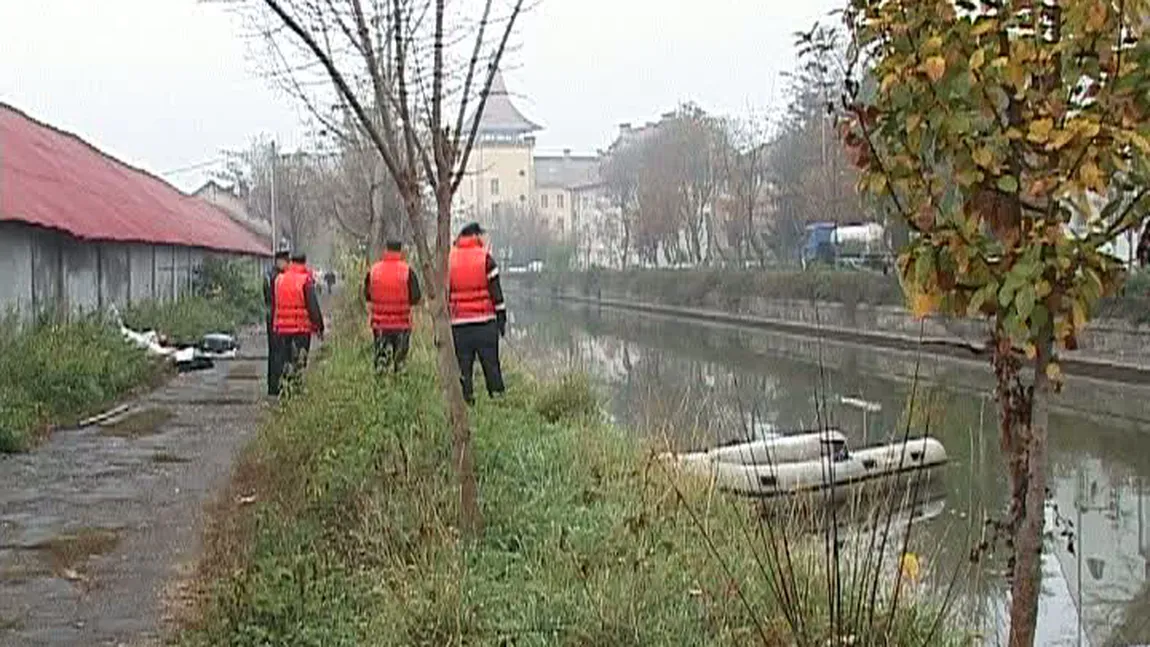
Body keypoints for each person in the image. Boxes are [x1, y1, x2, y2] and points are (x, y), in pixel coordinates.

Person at [447, 222, 507, 404]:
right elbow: (497, 295)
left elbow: (444, 293)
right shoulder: (486, 259)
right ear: (476, 236)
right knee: (492, 367)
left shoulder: (448, 260)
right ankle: (498, 404)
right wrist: (501, 321)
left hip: (459, 326)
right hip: (485, 325)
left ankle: (466, 405)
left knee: (463, 370)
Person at [270, 252, 325, 396]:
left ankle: (285, 388)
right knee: (299, 360)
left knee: (285, 359)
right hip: (301, 328)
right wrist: (319, 326)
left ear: (291, 261)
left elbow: (274, 303)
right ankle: (297, 388)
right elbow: (312, 307)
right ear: (304, 262)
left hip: (282, 328)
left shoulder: (279, 279)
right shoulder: (305, 280)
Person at [364, 241, 422, 373]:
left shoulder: (374, 271)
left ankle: (381, 387)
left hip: (380, 325)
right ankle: (399, 386)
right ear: (400, 251)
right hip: (402, 324)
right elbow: (416, 297)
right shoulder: (407, 271)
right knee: (400, 362)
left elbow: (367, 295)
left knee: (381, 361)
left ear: (385, 250)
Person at [263, 246, 290, 397]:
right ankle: (276, 386)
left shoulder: (270, 275)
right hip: (276, 316)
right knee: (278, 352)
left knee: (275, 352)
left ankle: (273, 386)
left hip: (272, 315)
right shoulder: (276, 277)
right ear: (279, 261)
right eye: (286, 261)